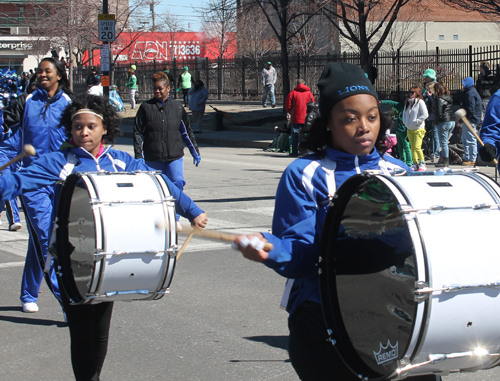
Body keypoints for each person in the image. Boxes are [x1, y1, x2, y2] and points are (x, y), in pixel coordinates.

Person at [232, 62, 440, 381]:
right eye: (349, 118)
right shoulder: (303, 175)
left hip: (397, 314)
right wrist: (272, 249)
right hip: (323, 318)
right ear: (328, 122)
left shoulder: (401, 173)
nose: (363, 127)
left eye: (371, 117)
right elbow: (301, 255)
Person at [0, 94, 207, 381]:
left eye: (90, 127)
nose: (83, 132)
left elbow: (162, 184)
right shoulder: (59, 161)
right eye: (77, 127)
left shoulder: (119, 161)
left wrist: (192, 210)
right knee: (81, 329)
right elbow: (17, 182)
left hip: (106, 260)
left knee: (99, 330)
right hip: (70, 259)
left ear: (104, 128)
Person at [1, 57, 72, 313]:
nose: (42, 75)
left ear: (59, 76)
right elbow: (4, 131)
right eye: (40, 71)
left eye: (47, 71)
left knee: (42, 241)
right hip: (33, 183)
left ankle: (29, 293)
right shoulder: (26, 102)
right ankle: (69, 302)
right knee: (47, 240)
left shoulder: (70, 105)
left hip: (63, 183)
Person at [134, 71, 201, 229]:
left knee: (177, 184)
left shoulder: (177, 108)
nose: (157, 91)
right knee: (154, 189)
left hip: (174, 156)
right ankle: (156, 218)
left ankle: (175, 218)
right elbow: (137, 133)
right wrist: (139, 156)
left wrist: (195, 151)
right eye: (155, 89)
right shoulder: (145, 108)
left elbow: (186, 132)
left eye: (160, 89)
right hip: (153, 157)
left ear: (168, 89)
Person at [285, 79, 315, 157]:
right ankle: (304, 152)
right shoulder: (309, 94)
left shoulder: (292, 93)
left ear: (297, 84)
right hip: (306, 118)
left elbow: (288, 105)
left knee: (295, 136)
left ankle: (294, 152)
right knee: (305, 136)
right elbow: (313, 104)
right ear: (304, 84)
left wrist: (290, 112)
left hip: (295, 118)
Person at [403, 86, 429, 171]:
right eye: (409, 92)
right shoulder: (407, 103)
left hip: (418, 128)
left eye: (412, 92)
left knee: (417, 146)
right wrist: (405, 122)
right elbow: (404, 114)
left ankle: (422, 163)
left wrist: (417, 121)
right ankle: (415, 163)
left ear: (417, 93)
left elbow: (425, 114)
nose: (410, 94)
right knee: (412, 147)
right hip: (409, 128)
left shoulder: (420, 102)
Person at [0, 130, 22, 231]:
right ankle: (14, 220)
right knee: (8, 183)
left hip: (17, 152)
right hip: (1, 151)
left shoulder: (21, 114)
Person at [381, 99, 413, 166]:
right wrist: (382, 101)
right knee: (400, 147)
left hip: (404, 131)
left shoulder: (410, 109)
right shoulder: (401, 106)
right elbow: (392, 103)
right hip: (398, 130)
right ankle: (403, 161)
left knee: (406, 147)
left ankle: (409, 162)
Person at [460, 76, 481, 166]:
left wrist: (466, 116)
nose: (462, 85)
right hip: (470, 119)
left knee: (470, 139)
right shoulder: (470, 92)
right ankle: (468, 156)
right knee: (465, 138)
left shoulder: (470, 93)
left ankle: (472, 158)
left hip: (471, 119)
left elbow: (470, 108)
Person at [432, 81, 455, 168]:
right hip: (451, 121)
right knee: (445, 142)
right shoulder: (449, 97)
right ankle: (444, 159)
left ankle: (445, 161)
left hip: (443, 122)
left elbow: (438, 112)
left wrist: (436, 121)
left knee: (443, 142)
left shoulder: (439, 99)